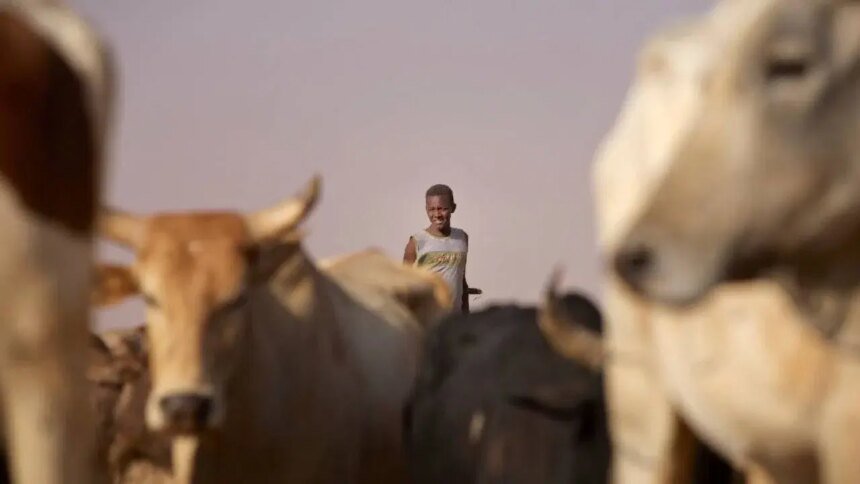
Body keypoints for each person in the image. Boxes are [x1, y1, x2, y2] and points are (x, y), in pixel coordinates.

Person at [403, 184, 470, 313]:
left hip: (454, 319)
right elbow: (404, 284)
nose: (437, 214)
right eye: (432, 209)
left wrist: (466, 316)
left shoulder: (462, 238)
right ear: (426, 209)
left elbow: (461, 279)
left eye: (442, 209)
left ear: (453, 208)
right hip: (428, 320)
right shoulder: (417, 241)